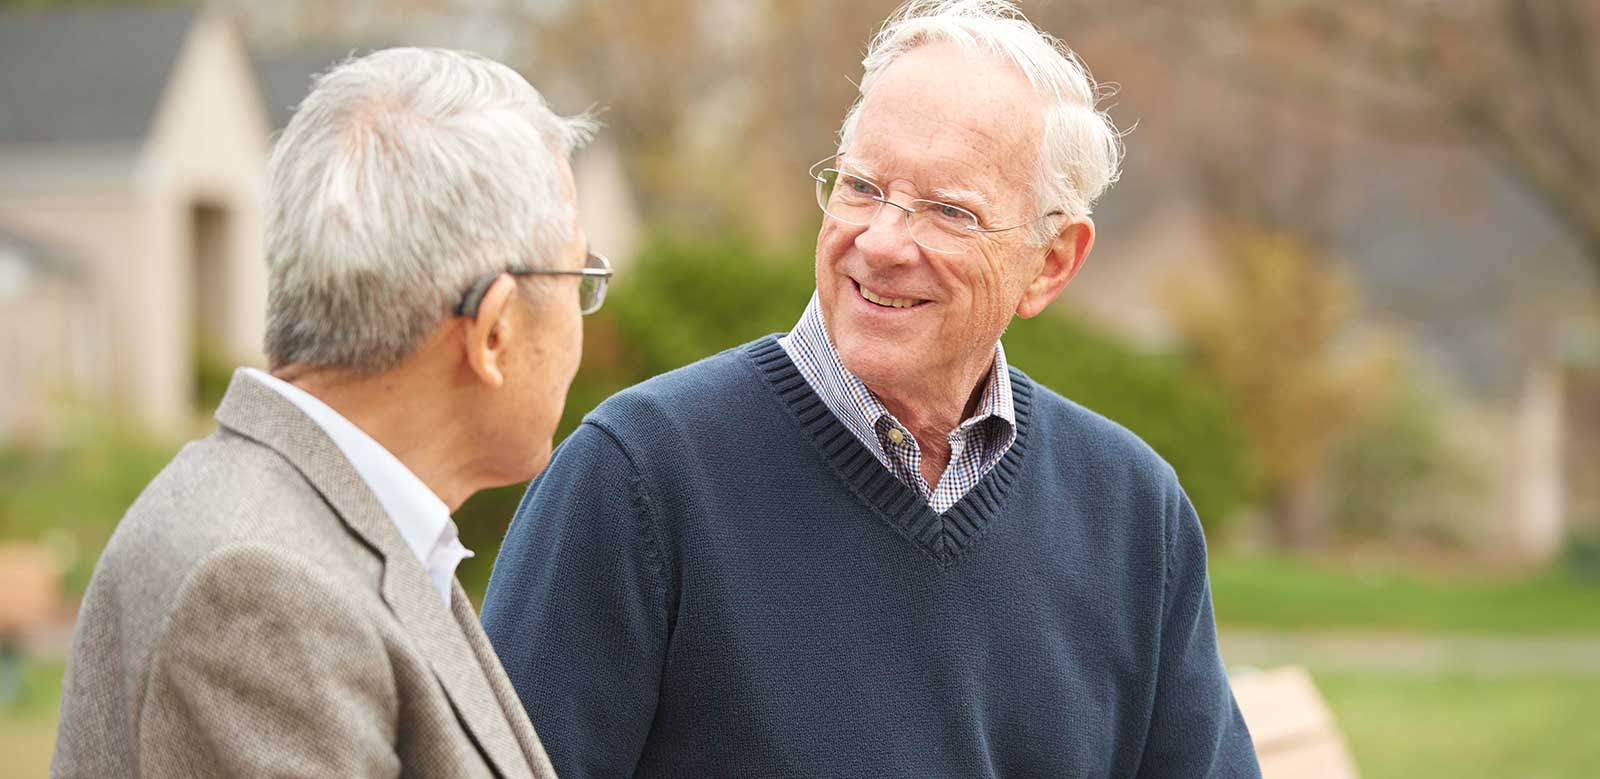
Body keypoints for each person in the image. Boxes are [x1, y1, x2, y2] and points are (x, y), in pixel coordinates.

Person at [482, 1, 1260, 776]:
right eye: (861, 186)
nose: (882, 241)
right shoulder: (639, 476)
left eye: (949, 210)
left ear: (1051, 261)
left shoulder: (1132, 511)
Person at [53, 47, 607, 778]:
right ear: (494, 330)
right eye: (579, 277)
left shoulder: (335, 534)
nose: (584, 314)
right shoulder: (261, 587)